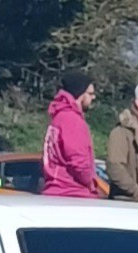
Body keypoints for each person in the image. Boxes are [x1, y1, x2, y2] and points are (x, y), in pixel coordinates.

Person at [42, 69, 99, 198]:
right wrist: (90, 183)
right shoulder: (71, 120)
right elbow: (78, 161)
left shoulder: (58, 117)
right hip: (72, 194)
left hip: (57, 192)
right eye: (90, 94)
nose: (93, 97)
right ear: (79, 94)